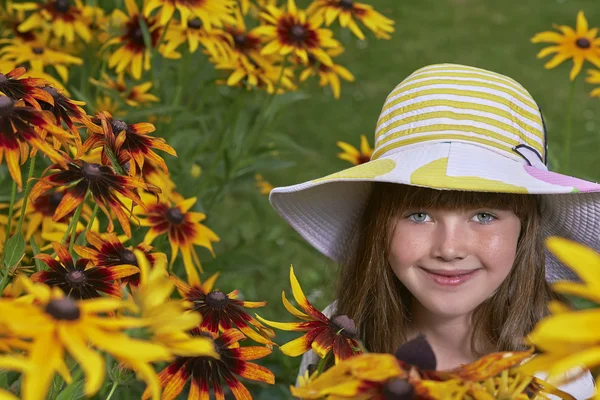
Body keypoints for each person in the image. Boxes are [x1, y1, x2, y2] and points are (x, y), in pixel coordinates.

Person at [268, 63, 600, 398]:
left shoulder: (558, 374)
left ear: (525, 231)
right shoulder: (338, 334)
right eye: (419, 215)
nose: (449, 248)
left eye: (484, 216)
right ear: (379, 225)